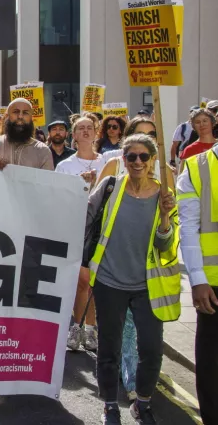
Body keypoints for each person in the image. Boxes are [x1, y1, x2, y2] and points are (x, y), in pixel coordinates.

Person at [85, 134, 180, 425]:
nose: (137, 162)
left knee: (151, 349)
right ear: (123, 161)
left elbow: (166, 246)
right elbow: (85, 217)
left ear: (152, 160)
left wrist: (165, 218)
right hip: (109, 282)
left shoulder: (164, 195)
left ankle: (143, 403)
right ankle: (110, 405)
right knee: (109, 348)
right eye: (131, 157)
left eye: (143, 156)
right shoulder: (111, 187)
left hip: (147, 286)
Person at [176, 137, 218, 425]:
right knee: (212, 363)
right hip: (213, 284)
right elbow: (188, 229)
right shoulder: (196, 167)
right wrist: (197, 279)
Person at [56, 117, 107, 352]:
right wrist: (79, 184)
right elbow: (59, 195)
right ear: (73, 136)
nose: (85, 132)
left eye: (90, 128)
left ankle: (91, 328)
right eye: (80, 129)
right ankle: (76, 326)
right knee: (81, 281)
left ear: (96, 133)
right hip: (77, 225)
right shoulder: (65, 166)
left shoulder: (109, 161)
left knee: (95, 280)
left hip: (103, 227)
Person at [0, 95, 54, 171]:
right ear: (7, 116)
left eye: (25, 113)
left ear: (31, 118)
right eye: (16, 112)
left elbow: (48, 182)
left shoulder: (42, 151)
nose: (20, 116)